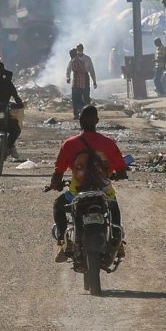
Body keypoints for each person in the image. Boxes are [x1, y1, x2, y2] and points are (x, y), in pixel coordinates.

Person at [46, 105, 127, 262]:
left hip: (77, 191)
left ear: (80, 121)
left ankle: (64, 242)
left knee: (58, 204)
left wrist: (55, 184)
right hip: (103, 191)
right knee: (113, 207)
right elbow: (122, 171)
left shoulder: (69, 144)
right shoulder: (109, 143)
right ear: (97, 120)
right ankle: (118, 242)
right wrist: (118, 175)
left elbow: (58, 172)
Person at [66, 48, 91, 120]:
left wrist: (69, 78)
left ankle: (83, 111)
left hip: (77, 83)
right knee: (78, 99)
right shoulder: (81, 60)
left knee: (76, 100)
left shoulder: (74, 61)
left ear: (72, 55)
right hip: (82, 83)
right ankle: (82, 112)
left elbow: (72, 70)